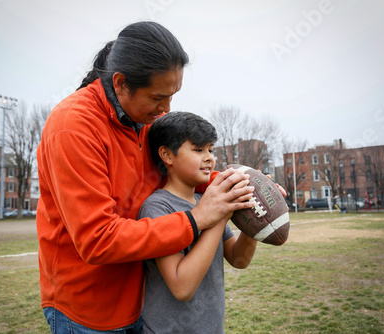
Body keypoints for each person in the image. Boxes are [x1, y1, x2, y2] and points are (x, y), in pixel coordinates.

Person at [36, 21, 256, 333]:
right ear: (121, 82)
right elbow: (97, 239)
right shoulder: (73, 125)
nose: (166, 108)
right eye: (157, 97)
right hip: (87, 311)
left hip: (140, 302)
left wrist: (244, 184)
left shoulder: (145, 120)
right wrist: (198, 218)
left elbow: (183, 167)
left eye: (172, 95)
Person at [137, 112, 258, 333]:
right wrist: (220, 214)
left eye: (210, 150)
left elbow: (238, 260)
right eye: (198, 149)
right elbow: (182, 287)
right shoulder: (157, 208)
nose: (209, 157)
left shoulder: (206, 201)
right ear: (167, 155)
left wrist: (256, 221)